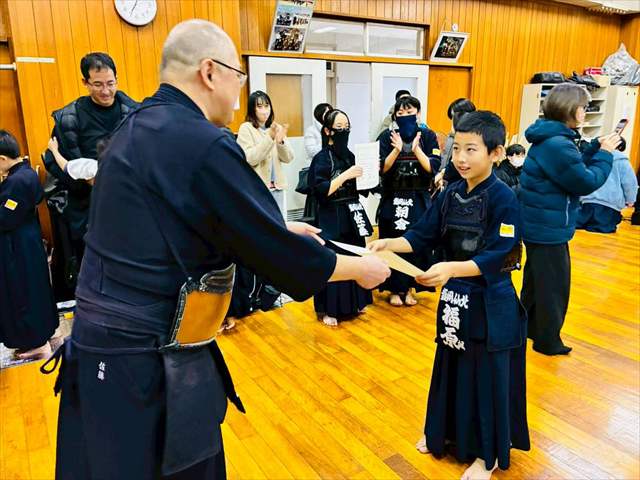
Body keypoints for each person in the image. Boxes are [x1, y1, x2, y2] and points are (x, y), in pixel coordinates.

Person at [44, 20, 390, 480]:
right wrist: (361, 268)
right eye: (238, 79)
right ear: (210, 72)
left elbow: (174, 219)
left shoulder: (135, 125)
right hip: (145, 357)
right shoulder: (202, 142)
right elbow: (280, 259)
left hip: (98, 344)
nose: (239, 95)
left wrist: (277, 226)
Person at [369, 111, 530, 480]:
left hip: (491, 302)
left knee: (485, 377)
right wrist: (388, 243)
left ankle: (486, 456)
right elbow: (422, 234)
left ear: (496, 153)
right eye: (456, 148)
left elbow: (501, 254)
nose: (460, 157)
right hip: (456, 298)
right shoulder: (450, 193)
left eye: (471, 149)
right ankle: (443, 433)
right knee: (451, 366)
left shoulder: (505, 197)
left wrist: (452, 269)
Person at [519, 83, 621, 355]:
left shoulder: (552, 138)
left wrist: (594, 147)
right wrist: (605, 155)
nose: (585, 112)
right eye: (584, 107)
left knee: (537, 281)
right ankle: (547, 341)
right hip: (548, 227)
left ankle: (528, 329)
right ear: (571, 109)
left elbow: (570, 166)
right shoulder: (558, 144)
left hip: (539, 223)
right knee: (554, 286)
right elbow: (585, 181)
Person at [43, 52, 137, 300]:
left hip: (130, 206)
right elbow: (52, 160)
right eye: (97, 84)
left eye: (110, 83)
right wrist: (83, 180)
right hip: (89, 210)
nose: (106, 91)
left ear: (117, 79)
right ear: (85, 82)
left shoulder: (135, 112)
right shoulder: (69, 118)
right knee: (97, 278)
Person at [308, 109, 374, 327]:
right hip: (330, 214)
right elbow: (322, 190)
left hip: (352, 211)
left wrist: (370, 175)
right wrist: (346, 175)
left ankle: (356, 303)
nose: (344, 131)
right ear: (328, 131)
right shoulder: (321, 158)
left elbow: (361, 187)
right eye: (339, 127)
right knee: (334, 258)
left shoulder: (350, 156)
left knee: (355, 253)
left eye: (347, 127)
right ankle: (329, 308)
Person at [377, 95, 441, 307]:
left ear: (418, 114)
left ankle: (411, 288)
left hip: (418, 197)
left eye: (410, 112)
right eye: (401, 113)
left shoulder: (428, 136)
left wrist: (416, 149)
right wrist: (396, 149)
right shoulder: (386, 137)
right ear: (395, 116)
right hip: (392, 196)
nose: (405, 116)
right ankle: (394, 288)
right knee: (392, 241)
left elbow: (432, 167)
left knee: (416, 241)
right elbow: (382, 168)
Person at [0, 130, 58, 360]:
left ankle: (38, 343)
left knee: (23, 292)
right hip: (27, 241)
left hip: (18, 247)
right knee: (35, 288)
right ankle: (43, 335)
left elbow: (5, 217)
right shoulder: (26, 173)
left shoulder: (16, 181)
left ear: (2, 158)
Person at [237, 90, 294, 217]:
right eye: (259, 106)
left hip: (278, 188)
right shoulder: (246, 128)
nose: (264, 110)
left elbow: (288, 158)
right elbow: (250, 158)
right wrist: (269, 138)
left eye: (267, 106)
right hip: (258, 189)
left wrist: (280, 143)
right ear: (252, 109)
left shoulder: (276, 127)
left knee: (281, 224)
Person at [576, 138, 637, 233]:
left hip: (587, 200)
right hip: (609, 203)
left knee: (581, 222)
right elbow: (630, 182)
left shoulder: (593, 157)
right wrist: (631, 200)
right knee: (603, 227)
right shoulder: (622, 161)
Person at [435, 98, 476, 190]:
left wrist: (443, 174)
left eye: (456, 116)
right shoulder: (451, 137)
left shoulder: (473, 141)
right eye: (452, 117)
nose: (453, 121)